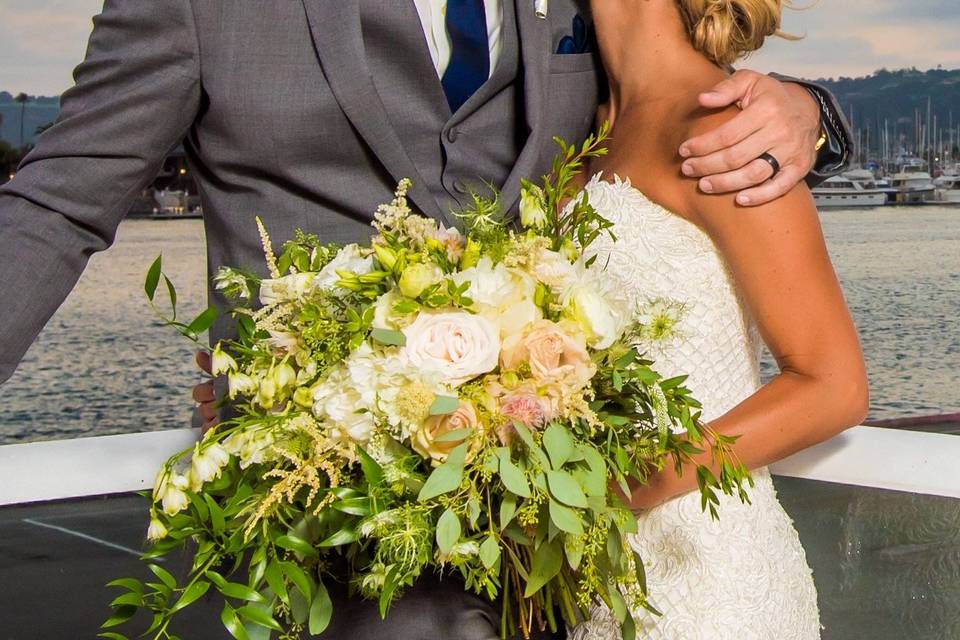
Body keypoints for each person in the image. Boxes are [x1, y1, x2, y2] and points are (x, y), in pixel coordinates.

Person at [0, 1, 851, 638]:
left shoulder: (582, 19)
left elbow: (684, 84)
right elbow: (54, 205)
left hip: (568, 562)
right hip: (339, 546)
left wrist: (810, 110)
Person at [562, 1, 869, 638]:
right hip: (589, 577)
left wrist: (647, 479)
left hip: (710, 580)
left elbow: (834, 387)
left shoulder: (731, 128)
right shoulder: (568, 129)